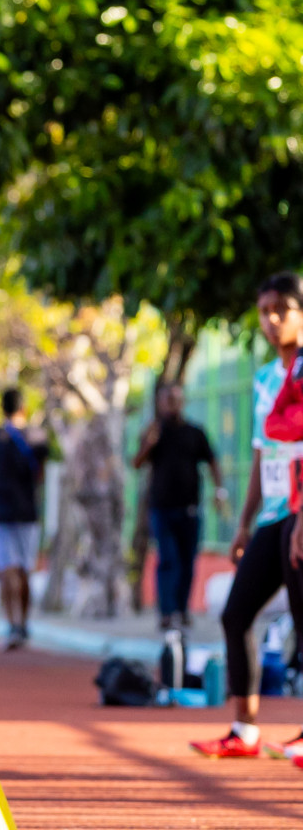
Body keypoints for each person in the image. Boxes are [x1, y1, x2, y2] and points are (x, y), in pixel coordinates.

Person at [191, 273, 303, 760]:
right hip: (274, 514)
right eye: (264, 311)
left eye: (282, 308)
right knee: (236, 614)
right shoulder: (262, 378)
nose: (272, 319)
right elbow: (263, 453)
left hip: (302, 513)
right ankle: (245, 729)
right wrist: (243, 522)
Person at [132, 383, 225, 630]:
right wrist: (148, 444)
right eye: (167, 399)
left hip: (190, 508)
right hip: (161, 508)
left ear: (183, 401)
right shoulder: (153, 432)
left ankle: (182, 610)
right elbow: (136, 463)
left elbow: (213, 461)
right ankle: (166, 612)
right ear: (161, 403)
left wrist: (220, 491)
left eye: (176, 399)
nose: (172, 404)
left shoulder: (195, 432)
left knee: (187, 560)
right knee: (168, 559)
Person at [0, 388, 45, 650]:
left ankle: (14, 625)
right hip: (27, 512)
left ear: (1, 408)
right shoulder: (37, 436)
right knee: (22, 571)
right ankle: (21, 625)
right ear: (23, 408)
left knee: (8, 572)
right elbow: (40, 476)